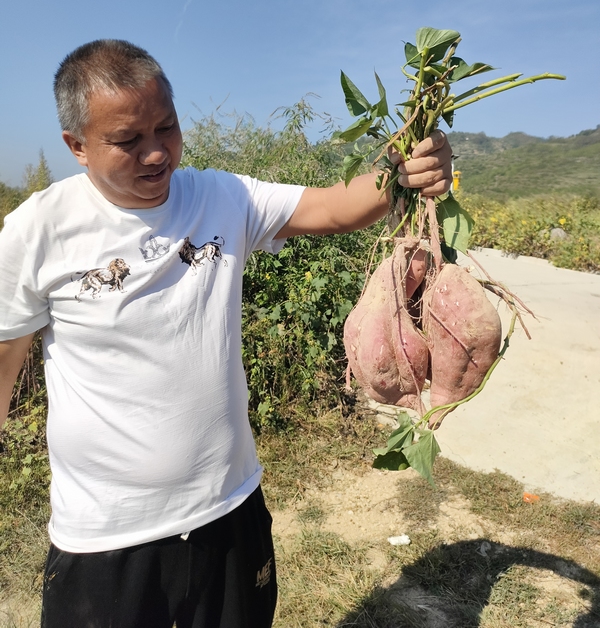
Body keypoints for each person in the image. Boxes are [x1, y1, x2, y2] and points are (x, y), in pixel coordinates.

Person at [0, 39, 452, 628]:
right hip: (106, 538)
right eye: (128, 141)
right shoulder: (38, 228)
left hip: (228, 510)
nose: (158, 153)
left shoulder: (222, 197)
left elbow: (338, 207)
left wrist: (401, 171)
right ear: (77, 146)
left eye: (167, 127)